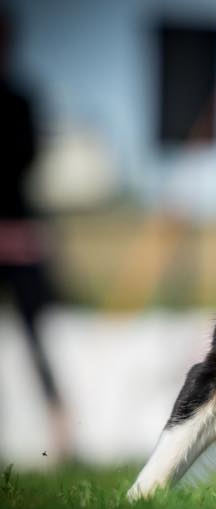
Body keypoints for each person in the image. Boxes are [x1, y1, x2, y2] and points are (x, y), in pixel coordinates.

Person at [0, 12, 71, 462]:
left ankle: (60, 429)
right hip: (13, 231)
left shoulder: (19, 100)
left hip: (20, 229)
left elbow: (27, 162)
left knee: (38, 335)